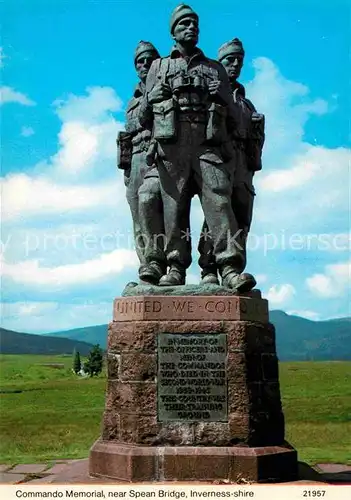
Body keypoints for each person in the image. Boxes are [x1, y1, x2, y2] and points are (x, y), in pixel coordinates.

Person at [139, 4, 250, 289]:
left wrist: (224, 94)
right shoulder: (158, 66)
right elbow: (142, 119)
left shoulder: (214, 68)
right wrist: (152, 97)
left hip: (207, 143)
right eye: (184, 24)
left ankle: (228, 267)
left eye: (194, 24)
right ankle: (175, 266)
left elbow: (237, 121)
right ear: (173, 32)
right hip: (172, 144)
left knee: (220, 201)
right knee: (173, 207)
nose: (191, 28)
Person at [198, 38, 265, 288]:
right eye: (229, 60)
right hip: (218, 156)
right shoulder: (211, 92)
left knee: (241, 216)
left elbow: (255, 139)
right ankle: (210, 269)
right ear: (220, 64)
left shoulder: (247, 103)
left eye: (239, 60)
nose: (235, 64)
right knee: (217, 211)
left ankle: (235, 274)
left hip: (243, 164)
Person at [117, 41, 166, 284]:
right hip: (135, 159)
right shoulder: (134, 98)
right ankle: (148, 268)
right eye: (140, 61)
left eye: (149, 59)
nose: (145, 64)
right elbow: (132, 126)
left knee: (158, 210)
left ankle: (165, 265)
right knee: (138, 216)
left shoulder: (166, 89)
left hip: (159, 156)